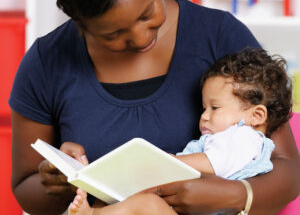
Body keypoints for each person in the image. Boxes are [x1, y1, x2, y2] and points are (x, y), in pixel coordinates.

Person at [9, 0, 299, 215]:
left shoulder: (219, 35)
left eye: (148, 13)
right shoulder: (47, 63)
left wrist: (234, 196)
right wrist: (57, 182)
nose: (141, 37)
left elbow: (288, 170)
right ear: (79, 24)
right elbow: (24, 186)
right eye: (113, 35)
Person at [66, 48, 292, 215]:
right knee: (119, 197)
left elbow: (213, 163)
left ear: (256, 116)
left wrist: (166, 161)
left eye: (215, 108)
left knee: (148, 204)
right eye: (204, 108)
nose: (204, 116)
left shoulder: (245, 138)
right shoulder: (229, 138)